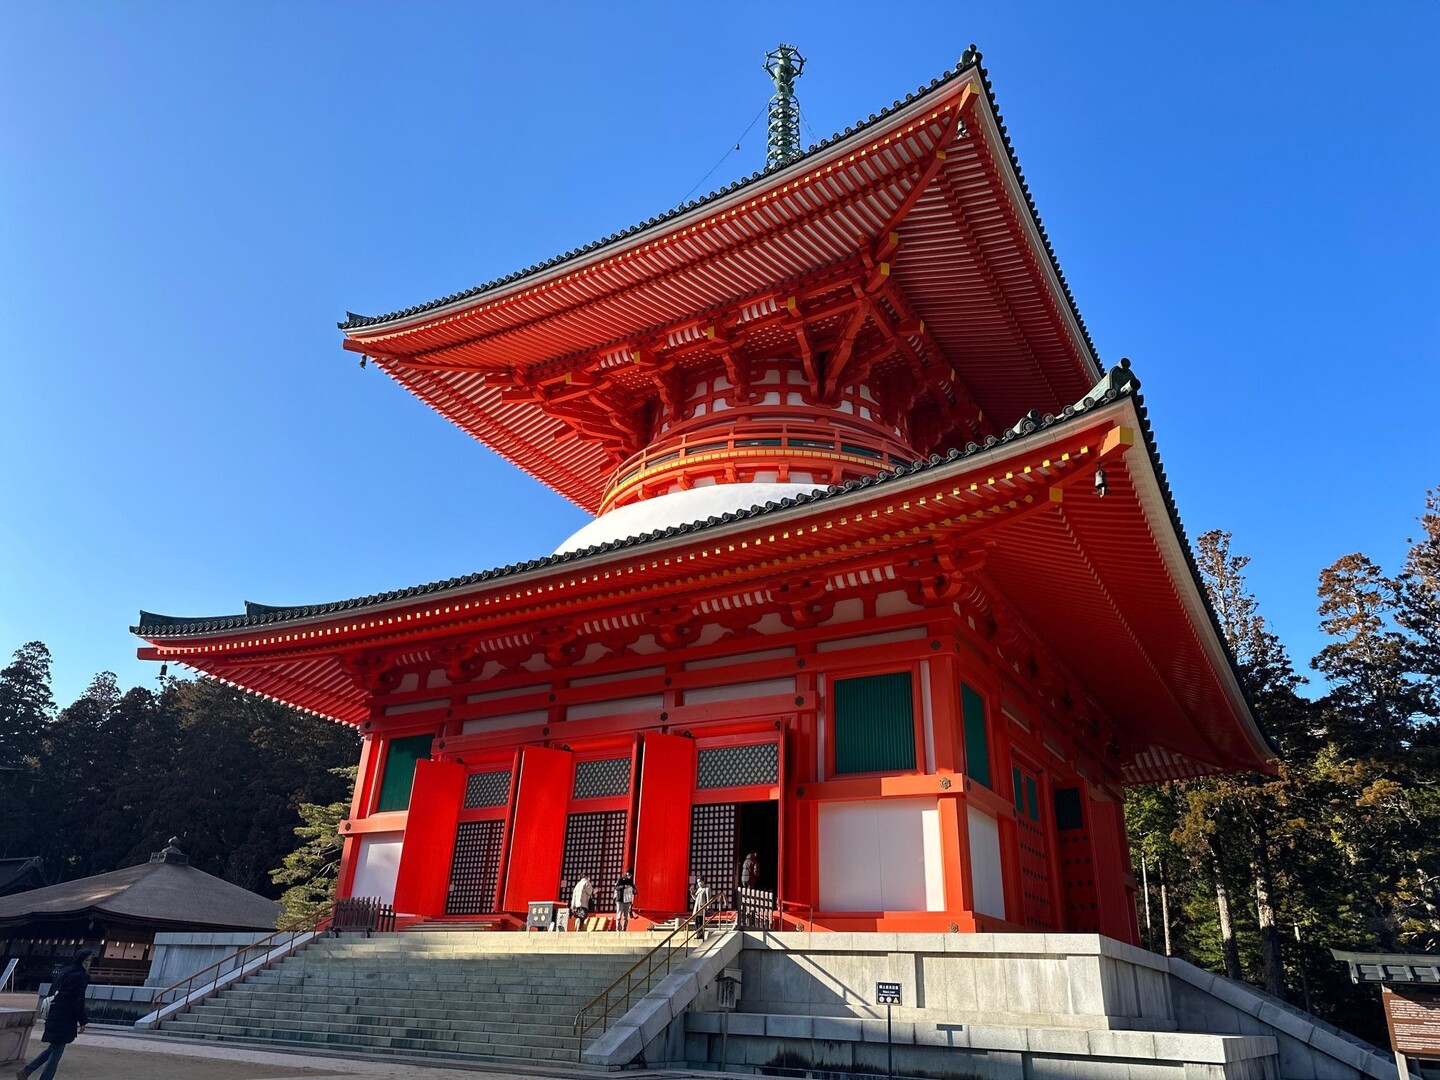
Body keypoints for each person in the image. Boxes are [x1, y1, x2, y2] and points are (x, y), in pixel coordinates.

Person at [19, 949, 91, 1080]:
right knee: (57, 1051)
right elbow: (78, 999)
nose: (89, 963)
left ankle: (26, 1071)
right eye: (87, 960)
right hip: (66, 1015)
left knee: (54, 1048)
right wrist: (83, 1020)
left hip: (55, 1011)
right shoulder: (81, 976)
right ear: (83, 961)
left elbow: (53, 991)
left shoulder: (65, 971)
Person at [690, 876, 712, 941]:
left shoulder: (707, 888)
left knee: (700, 921)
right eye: (697, 882)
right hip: (696, 907)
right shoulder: (699, 889)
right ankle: (697, 934)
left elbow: (708, 898)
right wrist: (692, 893)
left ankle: (701, 935)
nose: (699, 883)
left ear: (703, 881)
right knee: (696, 922)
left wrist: (708, 907)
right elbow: (695, 898)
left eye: (700, 881)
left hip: (702, 907)